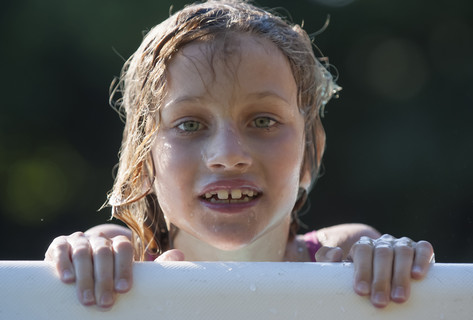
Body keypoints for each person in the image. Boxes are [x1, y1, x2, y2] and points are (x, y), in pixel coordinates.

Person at [45, 0, 434, 311]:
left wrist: (391, 266)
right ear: (142, 160)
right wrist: (83, 260)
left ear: (310, 149)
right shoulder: (119, 267)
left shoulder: (347, 260)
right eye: (190, 124)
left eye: (263, 120)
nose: (228, 156)